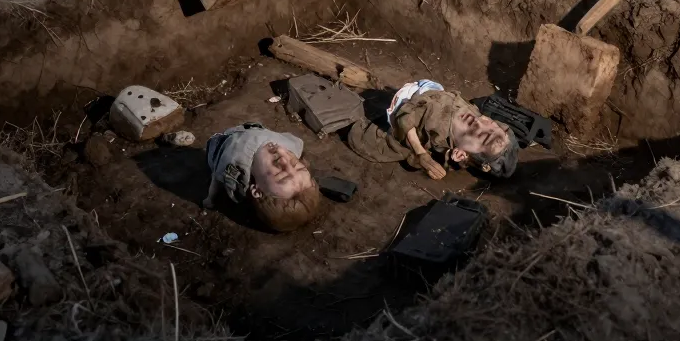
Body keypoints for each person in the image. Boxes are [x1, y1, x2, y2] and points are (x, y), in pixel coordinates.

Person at [346, 79, 518, 180]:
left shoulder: (437, 121)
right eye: (493, 125)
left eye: (480, 135)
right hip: (423, 90)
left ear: (460, 154)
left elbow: (405, 118)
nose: (481, 121)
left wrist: (420, 153)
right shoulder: (473, 116)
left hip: (404, 104)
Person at [202, 123, 322, 232]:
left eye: (279, 172)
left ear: (257, 190)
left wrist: (210, 197)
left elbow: (217, 174)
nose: (283, 153)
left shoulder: (230, 164)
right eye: (297, 165)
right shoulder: (294, 144)